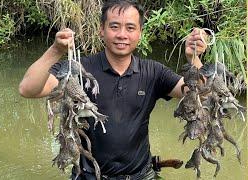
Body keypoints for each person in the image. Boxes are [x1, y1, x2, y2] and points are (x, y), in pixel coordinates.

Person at [19, 0, 207, 179]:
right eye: (114, 26)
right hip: (89, 176)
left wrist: (194, 59)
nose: (122, 35)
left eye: (130, 28)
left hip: (141, 175)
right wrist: (56, 50)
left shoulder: (153, 72)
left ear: (140, 32)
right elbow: (28, 89)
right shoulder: (78, 69)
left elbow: (199, 94)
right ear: (102, 30)